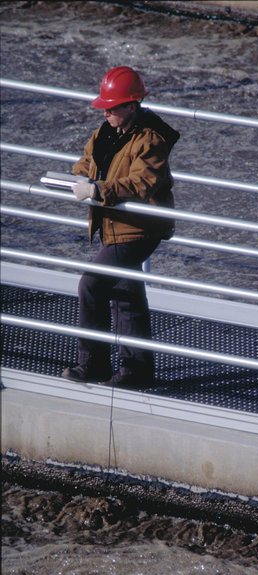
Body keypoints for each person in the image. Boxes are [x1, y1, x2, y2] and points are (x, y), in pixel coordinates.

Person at [62, 66, 180, 389]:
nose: (107, 112)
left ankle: (94, 364)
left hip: (140, 229)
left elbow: (143, 182)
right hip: (116, 226)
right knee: (125, 292)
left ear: (132, 105)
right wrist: (76, 178)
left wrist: (99, 190)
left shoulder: (151, 139)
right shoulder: (105, 133)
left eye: (112, 107)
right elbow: (86, 163)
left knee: (90, 286)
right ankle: (137, 371)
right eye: (105, 107)